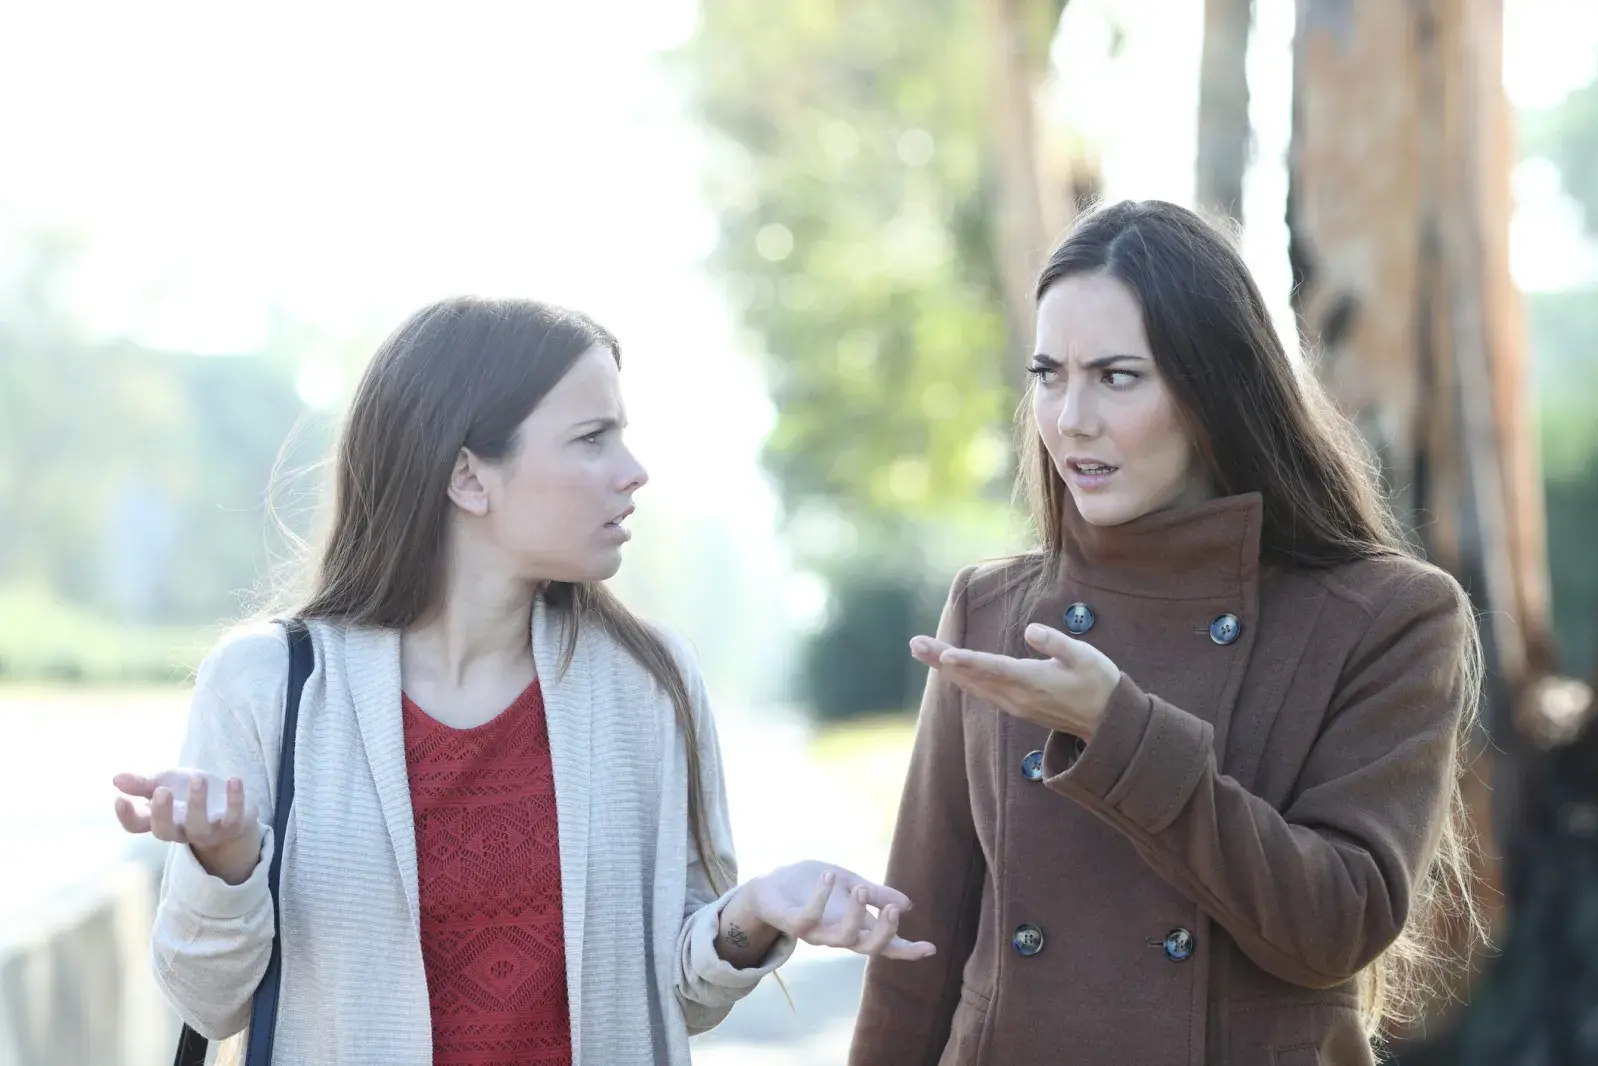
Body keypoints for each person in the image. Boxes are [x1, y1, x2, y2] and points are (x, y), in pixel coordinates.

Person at [112, 297, 935, 1066]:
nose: (634, 471)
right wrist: (227, 862)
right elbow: (207, 1002)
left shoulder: (650, 682)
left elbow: (682, 997)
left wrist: (752, 914)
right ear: (469, 478)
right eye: (592, 438)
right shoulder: (268, 682)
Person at [848, 200, 1484, 1066]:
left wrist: (1120, 732)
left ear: (1215, 386)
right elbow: (914, 956)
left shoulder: (1386, 616)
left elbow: (1337, 927)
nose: (1071, 418)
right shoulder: (992, 609)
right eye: (1048, 374)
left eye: (1116, 376)